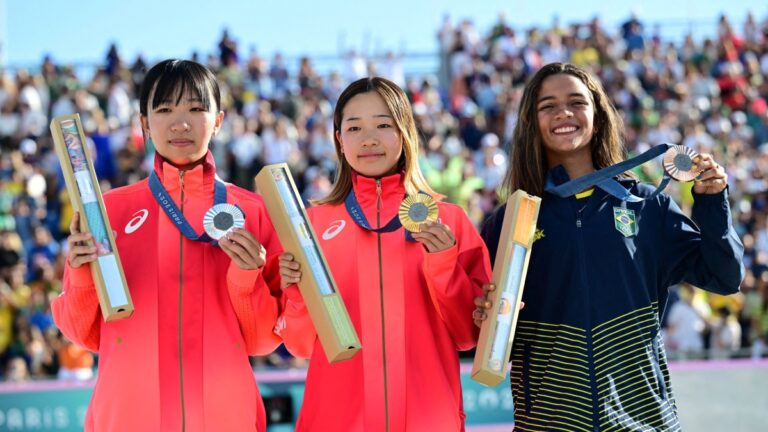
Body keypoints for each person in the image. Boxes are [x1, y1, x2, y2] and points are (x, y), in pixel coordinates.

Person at [473, 62, 744, 431]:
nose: (563, 113)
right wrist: (480, 314)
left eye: (576, 102)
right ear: (530, 123)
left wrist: (712, 204)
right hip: (549, 423)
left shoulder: (647, 205)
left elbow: (725, 277)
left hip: (645, 422)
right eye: (547, 106)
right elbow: (475, 337)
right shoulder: (511, 221)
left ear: (598, 115)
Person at [52, 59, 282, 432]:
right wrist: (80, 275)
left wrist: (247, 278)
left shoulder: (253, 212)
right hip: (128, 414)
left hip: (223, 415)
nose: (181, 123)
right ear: (144, 122)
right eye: (164, 110)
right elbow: (87, 334)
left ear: (219, 120)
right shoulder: (109, 210)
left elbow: (261, 340)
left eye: (196, 108)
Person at [278, 77, 491, 431]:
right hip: (336, 420)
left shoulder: (448, 219)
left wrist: (443, 265)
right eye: (354, 127)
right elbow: (299, 345)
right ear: (338, 139)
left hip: (427, 419)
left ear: (405, 132)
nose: (369, 139)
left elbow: (469, 333)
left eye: (383, 125)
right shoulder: (311, 226)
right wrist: (297, 293)